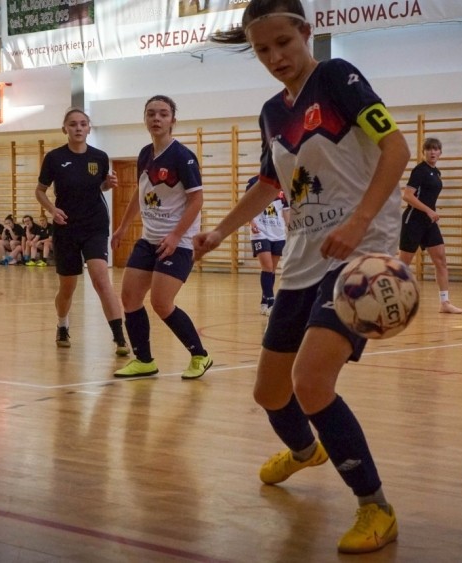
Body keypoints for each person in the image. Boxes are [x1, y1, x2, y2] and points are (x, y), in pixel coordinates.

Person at [200, 0, 410, 553]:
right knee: (270, 393)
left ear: (306, 33)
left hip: (358, 257)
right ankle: (304, 451)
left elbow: (396, 148)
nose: (275, 57)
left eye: (283, 43)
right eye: (262, 50)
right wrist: (219, 232)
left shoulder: (337, 77)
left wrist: (359, 221)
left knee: (312, 383)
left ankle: (375, 506)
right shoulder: (272, 111)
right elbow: (271, 185)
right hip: (300, 262)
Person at [109, 95, 212, 379]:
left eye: (163, 114)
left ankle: (200, 355)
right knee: (130, 298)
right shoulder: (145, 154)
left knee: (161, 303)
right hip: (149, 239)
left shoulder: (183, 156)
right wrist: (122, 227)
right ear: (144, 118)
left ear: (173, 121)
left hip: (178, 243)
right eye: (151, 113)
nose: (156, 118)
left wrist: (176, 235)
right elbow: (140, 193)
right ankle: (144, 361)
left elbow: (197, 200)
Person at [36, 107, 129, 355]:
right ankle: (62, 325)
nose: (78, 128)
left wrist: (107, 184)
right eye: (73, 124)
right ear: (64, 128)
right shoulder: (54, 158)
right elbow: (40, 191)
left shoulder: (100, 157)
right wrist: (52, 209)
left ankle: (120, 337)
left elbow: (99, 187)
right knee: (68, 287)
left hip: (94, 225)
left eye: (83, 124)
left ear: (89, 128)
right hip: (66, 227)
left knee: (101, 279)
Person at [398, 137, 462, 314]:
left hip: (429, 223)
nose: (432, 152)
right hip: (413, 221)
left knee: (441, 260)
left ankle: (445, 302)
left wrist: (430, 213)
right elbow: (408, 195)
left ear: (440, 152)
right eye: (429, 149)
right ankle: (393, 299)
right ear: (423, 152)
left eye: (435, 149)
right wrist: (428, 210)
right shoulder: (420, 170)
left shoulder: (436, 172)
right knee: (403, 264)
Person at [246, 175, 289, 316]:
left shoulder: (283, 183)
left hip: (278, 232)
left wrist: (291, 228)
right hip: (260, 231)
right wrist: (251, 222)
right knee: (267, 267)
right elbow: (247, 205)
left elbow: (286, 210)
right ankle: (271, 303)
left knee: (272, 270)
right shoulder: (253, 182)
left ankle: (264, 301)